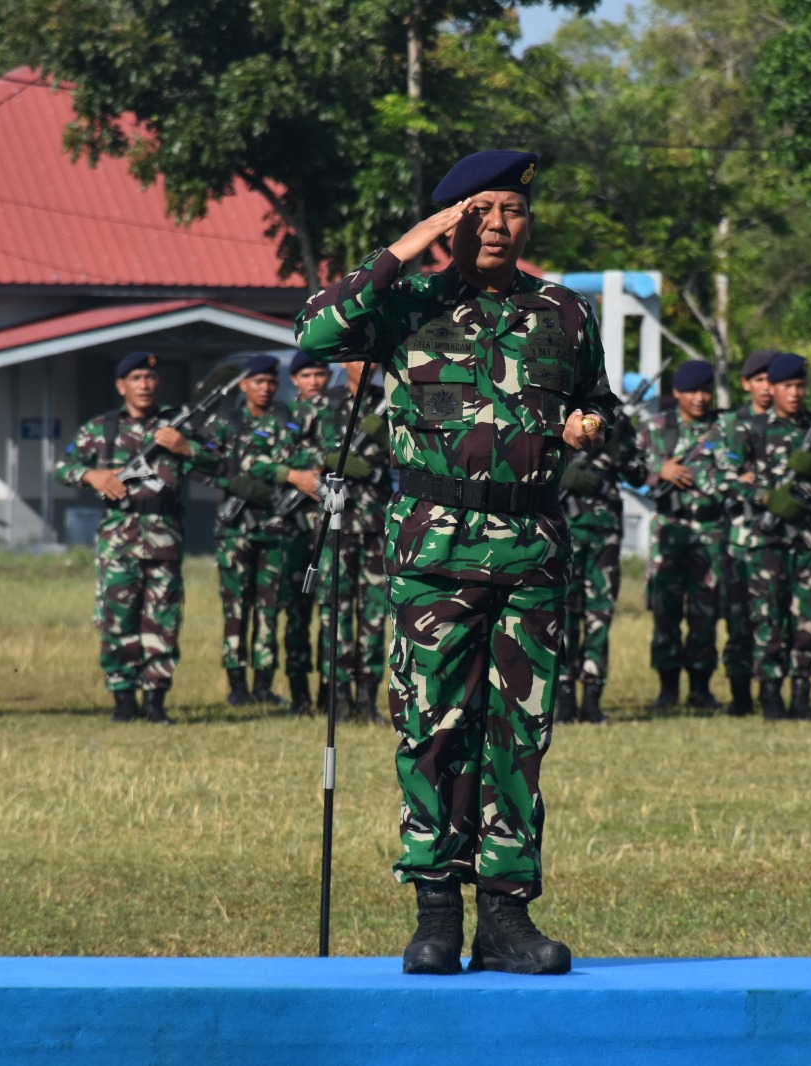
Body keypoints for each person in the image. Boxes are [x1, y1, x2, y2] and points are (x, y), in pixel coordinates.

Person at [294, 149, 614, 976]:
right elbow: (316, 331)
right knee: (432, 729)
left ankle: (506, 918)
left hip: (532, 554)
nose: (499, 226)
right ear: (450, 224)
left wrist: (588, 426)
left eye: (512, 210)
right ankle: (434, 911)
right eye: (479, 212)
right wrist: (405, 247)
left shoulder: (565, 314)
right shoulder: (406, 305)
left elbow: (596, 404)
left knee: (519, 737)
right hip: (434, 555)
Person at [54, 351, 221, 724]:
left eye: (149, 377)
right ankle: (123, 699)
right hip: (118, 542)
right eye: (135, 378)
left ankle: (156, 700)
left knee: (162, 621)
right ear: (121, 386)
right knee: (117, 620)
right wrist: (91, 476)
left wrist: (185, 448)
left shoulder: (174, 428)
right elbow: (63, 467)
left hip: (164, 539)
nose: (144, 385)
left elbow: (220, 464)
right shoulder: (101, 428)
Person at [717, 353, 811, 719]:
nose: (795, 393)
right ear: (771, 388)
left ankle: (802, 698)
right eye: (787, 386)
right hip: (766, 539)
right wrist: (766, 497)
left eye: (800, 386)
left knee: (804, 619)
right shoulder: (751, 429)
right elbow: (724, 477)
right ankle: (770, 697)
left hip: (809, 538)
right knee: (767, 619)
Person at [199, 353, 321, 710]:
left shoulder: (286, 420)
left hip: (275, 527)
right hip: (235, 529)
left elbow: (305, 457)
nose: (266, 388)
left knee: (269, 608)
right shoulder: (226, 422)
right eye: (258, 382)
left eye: (270, 382)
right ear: (243, 385)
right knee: (237, 607)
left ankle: (264, 683)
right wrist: (232, 482)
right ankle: (237, 684)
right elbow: (201, 461)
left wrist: (285, 473)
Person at [637, 359, 734, 711]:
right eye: (692, 391)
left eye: (705, 391)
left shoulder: (723, 429)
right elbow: (630, 468)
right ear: (676, 392)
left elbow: (738, 466)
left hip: (710, 530)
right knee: (665, 611)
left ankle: (701, 689)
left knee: (705, 613)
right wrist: (658, 471)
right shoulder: (657, 427)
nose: (700, 398)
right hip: (669, 529)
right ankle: (667, 690)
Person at [556, 403, 647, 723]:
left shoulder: (615, 424)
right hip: (563, 528)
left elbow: (640, 474)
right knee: (564, 614)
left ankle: (593, 697)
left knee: (599, 613)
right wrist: (565, 475)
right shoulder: (558, 412)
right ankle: (564, 696)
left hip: (604, 534)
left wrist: (618, 440)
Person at [314, 358, 393, 722]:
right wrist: (327, 459)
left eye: (374, 357)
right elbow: (290, 447)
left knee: (376, 614)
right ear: (344, 362)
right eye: (361, 356)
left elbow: (416, 455)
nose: (369, 364)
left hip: (376, 522)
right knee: (336, 611)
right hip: (336, 523)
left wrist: (385, 437)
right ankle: (339, 697)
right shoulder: (322, 404)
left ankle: (367, 697)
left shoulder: (393, 402)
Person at [720, 349, 777, 715]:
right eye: (760, 380)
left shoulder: (791, 424)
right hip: (741, 539)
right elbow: (723, 474)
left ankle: (773, 694)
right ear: (746, 384)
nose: (768, 388)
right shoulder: (732, 424)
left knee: (775, 617)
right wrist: (755, 487)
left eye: (774, 380)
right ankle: (740, 697)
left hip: (779, 539)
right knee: (740, 618)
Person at [285, 350, 334, 714]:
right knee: (297, 612)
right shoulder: (284, 418)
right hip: (293, 527)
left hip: (330, 527)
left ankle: (329, 695)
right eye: (306, 375)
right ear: (294, 381)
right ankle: (299, 695)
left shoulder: (339, 415)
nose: (314, 381)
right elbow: (269, 458)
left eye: (319, 374)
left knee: (330, 612)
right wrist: (299, 473)